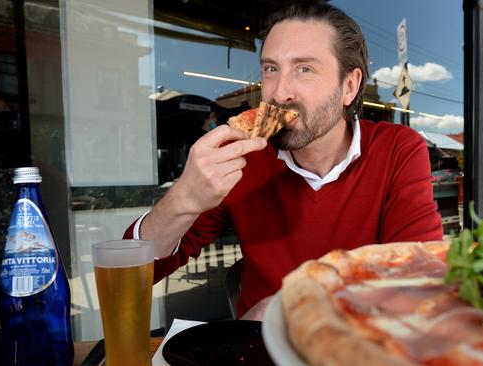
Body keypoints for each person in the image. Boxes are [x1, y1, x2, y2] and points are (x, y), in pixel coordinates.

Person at [124, 1, 442, 319]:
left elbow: (421, 282)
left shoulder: (397, 148)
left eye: (304, 69)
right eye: (271, 69)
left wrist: (289, 307)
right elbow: (133, 275)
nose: (279, 93)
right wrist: (184, 197)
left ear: (349, 86)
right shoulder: (244, 159)